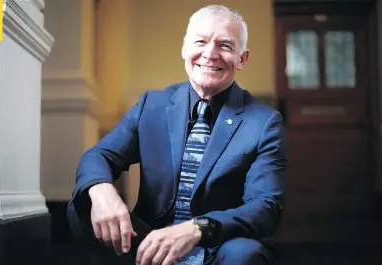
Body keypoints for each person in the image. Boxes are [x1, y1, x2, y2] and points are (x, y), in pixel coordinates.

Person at [67, 4, 287, 265]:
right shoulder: (152, 104)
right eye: (201, 41)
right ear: (185, 48)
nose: (210, 53)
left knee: (245, 255)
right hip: (149, 239)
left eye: (225, 46)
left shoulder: (264, 122)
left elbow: (265, 207)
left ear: (242, 58)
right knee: (84, 205)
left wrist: (198, 228)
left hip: (217, 245)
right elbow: (99, 155)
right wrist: (102, 191)